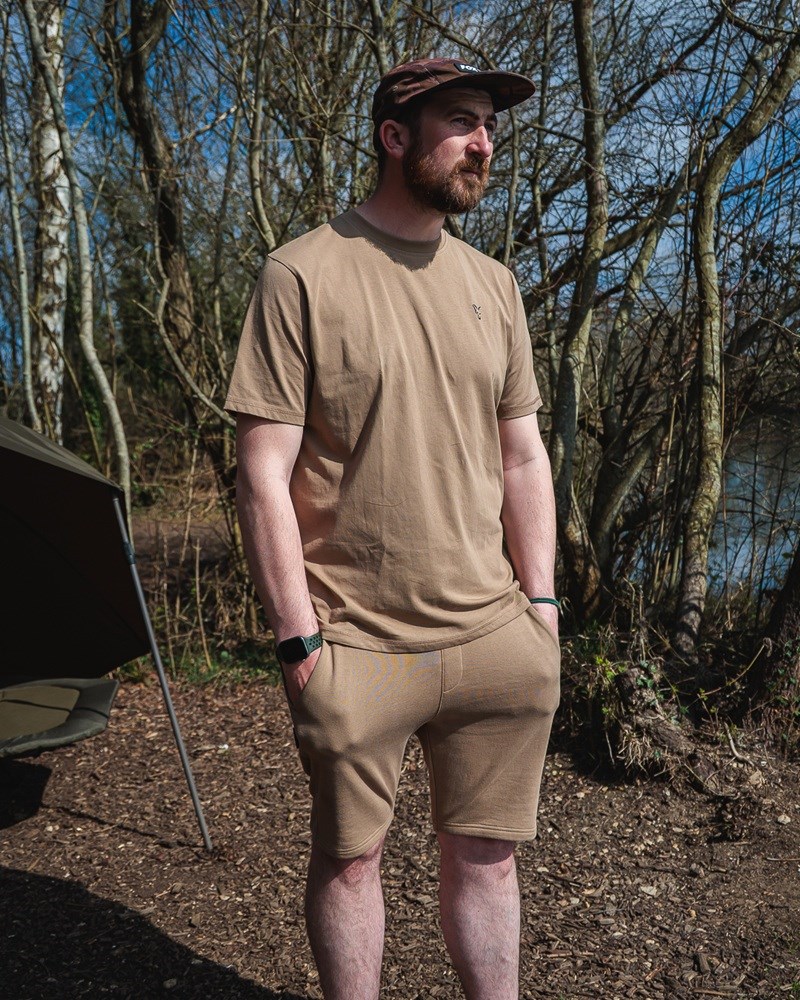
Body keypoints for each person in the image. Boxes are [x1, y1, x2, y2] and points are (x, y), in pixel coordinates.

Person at [225, 56, 561, 1000]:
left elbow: (522, 457)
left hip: (495, 634)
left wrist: (541, 608)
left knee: (489, 857)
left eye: (489, 125)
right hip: (356, 642)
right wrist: (299, 640)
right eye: (462, 122)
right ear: (393, 136)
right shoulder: (300, 273)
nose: (484, 143)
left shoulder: (495, 285)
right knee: (350, 863)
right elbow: (262, 473)